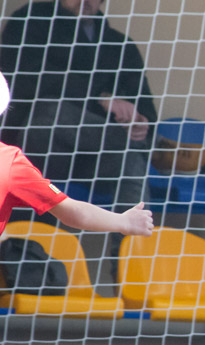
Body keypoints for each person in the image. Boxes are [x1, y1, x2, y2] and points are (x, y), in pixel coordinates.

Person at [0, 0, 157, 214]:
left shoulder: (120, 45)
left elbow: (144, 102)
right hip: (34, 145)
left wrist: (142, 124)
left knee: (130, 159)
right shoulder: (31, 21)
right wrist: (101, 98)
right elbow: (27, 81)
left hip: (93, 155)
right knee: (50, 112)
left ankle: (132, 239)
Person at [0, 70, 153, 241]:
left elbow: (72, 211)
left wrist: (124, 221)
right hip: (45, 147)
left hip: (84, 157)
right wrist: (124, 221)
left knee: (129, 159)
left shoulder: (10, 162)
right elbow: (72, 212)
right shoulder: (10, 162)